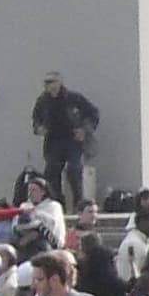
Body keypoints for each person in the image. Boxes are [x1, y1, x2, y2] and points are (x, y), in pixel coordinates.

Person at [30, 72, 102, 213]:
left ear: (59, 83)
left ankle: (79, 205)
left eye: (52, 82)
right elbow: (35, 120)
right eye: (46, 83)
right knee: (52, 172)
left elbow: (93, 113)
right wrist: (39, 128)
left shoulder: (73, 98)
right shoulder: (43, 102)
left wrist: (84, 130)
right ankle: (57, 205)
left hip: (72, 140)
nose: (49, 86)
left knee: (74, 170)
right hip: (53, 142)